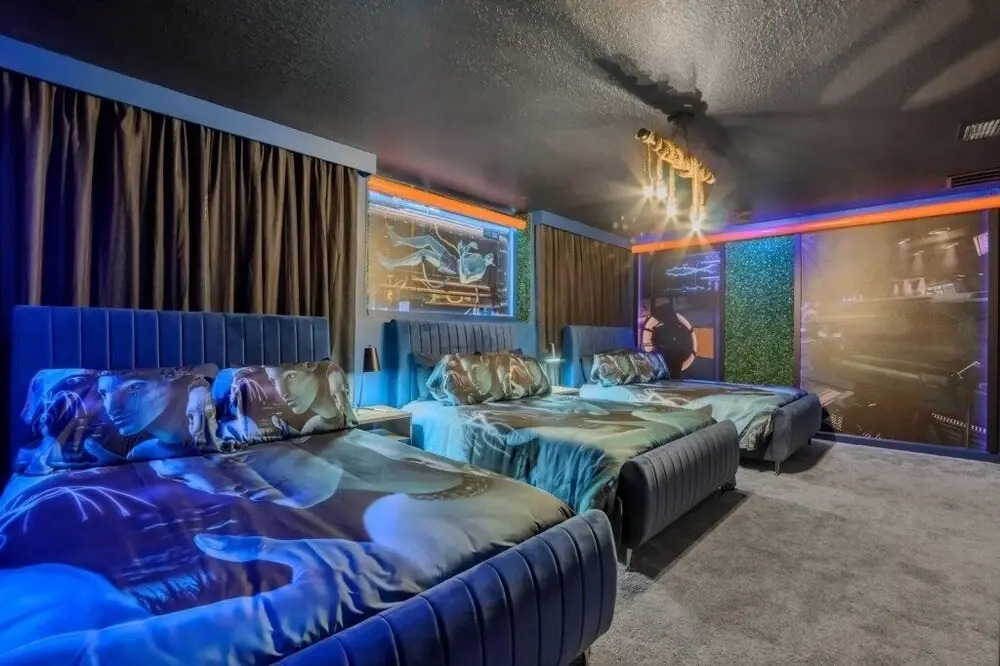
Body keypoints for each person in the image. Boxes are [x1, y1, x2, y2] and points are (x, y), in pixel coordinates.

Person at [96, 371, 204, 461]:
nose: (111, 409)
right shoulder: (140, 454)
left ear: (171, 374)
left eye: (132, 387)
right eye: (104, 394)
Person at [377, 225, 495, 284]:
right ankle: (399, 240)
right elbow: (463, 254)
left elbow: (463, 279)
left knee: (424, 253)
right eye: (490, 253)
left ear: (492, 263)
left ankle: (391, 264)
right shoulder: (478, 256)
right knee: (429, 239)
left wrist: (462, 256)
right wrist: (468, 245)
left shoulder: (480, 271)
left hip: (451, 267)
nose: (489, 255)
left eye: (491, 257)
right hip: (452, 259)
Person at [265, 363, 349, 436]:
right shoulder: (311, 427)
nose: (283, 393)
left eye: (291, 376)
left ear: (312, 365)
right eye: (273, 382)